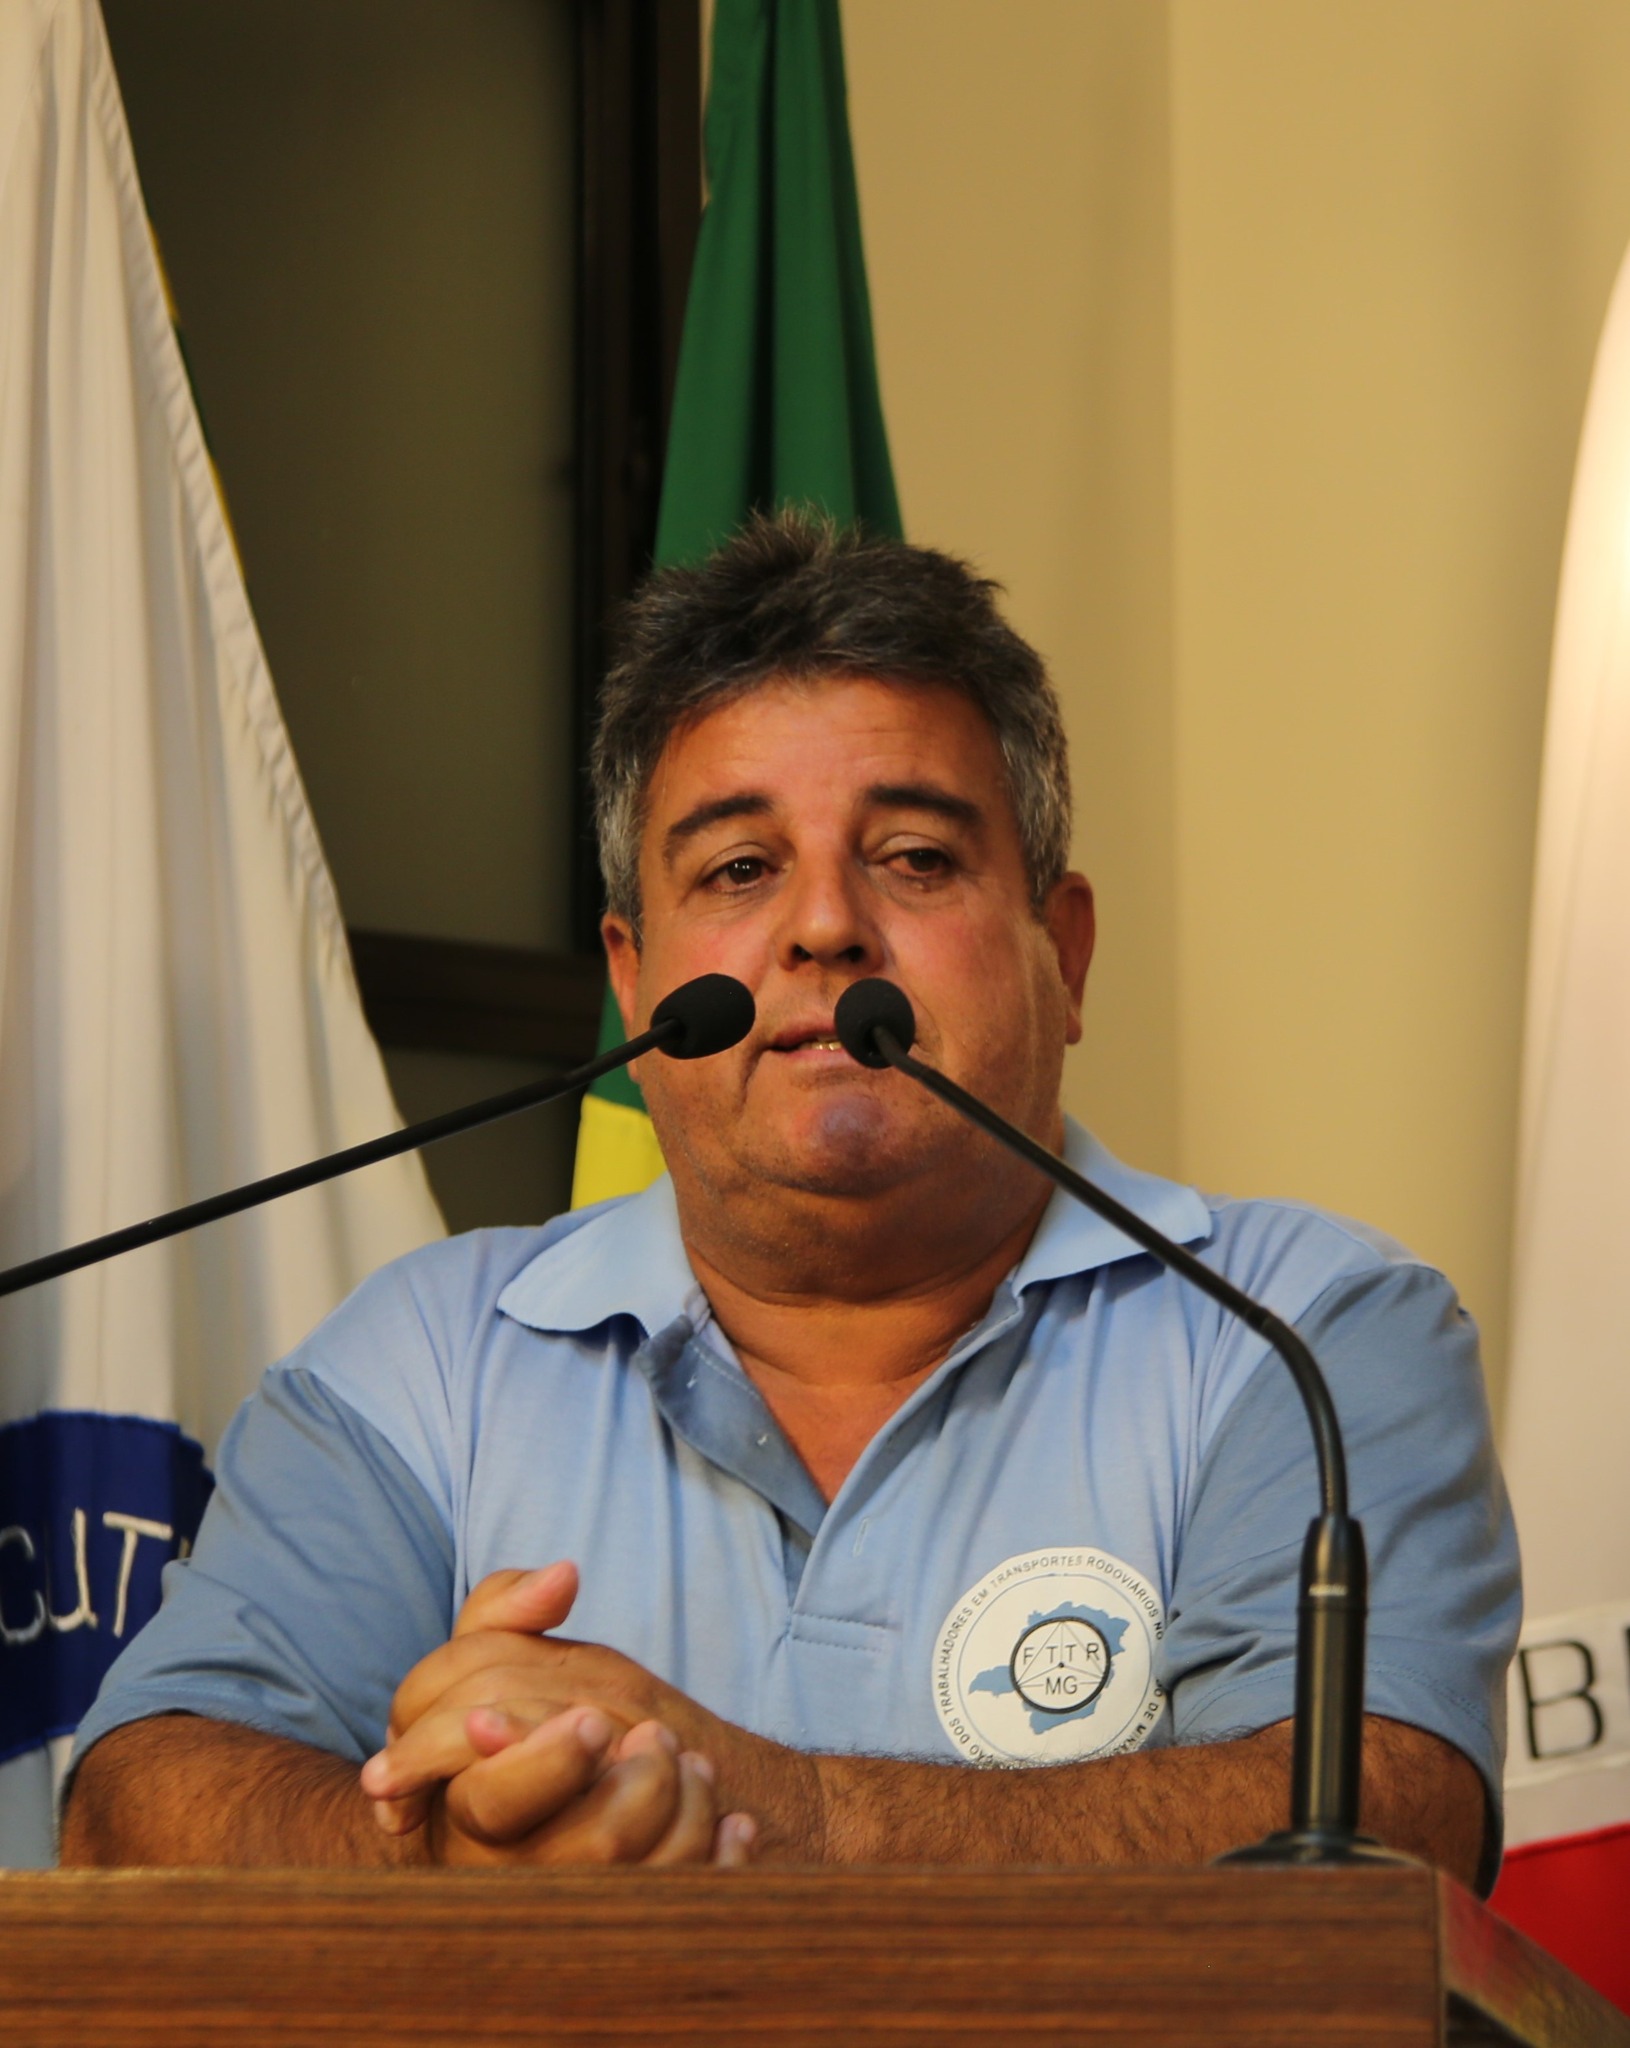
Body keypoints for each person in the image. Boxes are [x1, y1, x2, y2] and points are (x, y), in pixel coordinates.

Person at [61, 513, 1518, 1885]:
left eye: (915, 859)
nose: (825, 927)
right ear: (634, 981)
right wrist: (451, 1861)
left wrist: (747, 1803)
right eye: (741, 868)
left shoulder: (1302, 1336)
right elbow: (133, 1808)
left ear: (1063, 956)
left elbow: (1374, 1827)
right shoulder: (426, 1360)